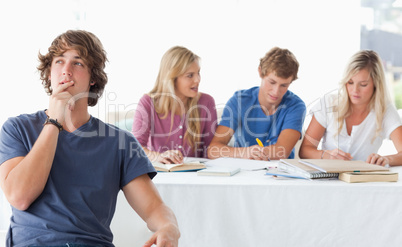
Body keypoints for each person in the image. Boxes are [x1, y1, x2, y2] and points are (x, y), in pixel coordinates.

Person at [0, 30, 180, 247]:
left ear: (93, 78)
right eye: (59, 61)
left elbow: (154, 209)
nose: (66, 71)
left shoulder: (119, 142)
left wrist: (169, 227)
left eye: (77, 63)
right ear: (49, 73)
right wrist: (55, 122)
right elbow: (19, 196)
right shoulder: (17, 129)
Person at [299, 50, 402, 166]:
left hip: (363, 181)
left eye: (363, 84)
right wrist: (326, 155)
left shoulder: (385, 110)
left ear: (376, 84)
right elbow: (304, 150)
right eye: (350, 82)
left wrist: (386, 159)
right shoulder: (328, 104)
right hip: (328, 179)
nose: (355, 90)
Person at [207, 47, 306, 160]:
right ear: (260, 72)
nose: (276, 91)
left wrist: (253, 153)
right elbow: (213, 150)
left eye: (284, 85)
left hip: (278, 173)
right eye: (272, 82)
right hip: (243, 170)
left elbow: (281, 152)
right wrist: (245, 153)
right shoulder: (239, 101)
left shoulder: (296, 106)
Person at [132, 46, 217, 164]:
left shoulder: (206, 102)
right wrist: (158, 156)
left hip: (196, 173)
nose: (197, 80)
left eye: (198, 73)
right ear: (171, 78)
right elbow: (136, 148)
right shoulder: (148, 102)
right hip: (160, 172)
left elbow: (211, 149)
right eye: (190, 75)